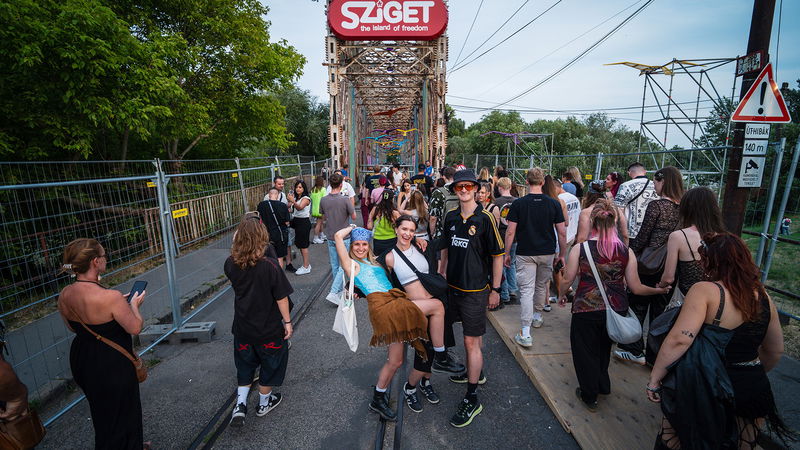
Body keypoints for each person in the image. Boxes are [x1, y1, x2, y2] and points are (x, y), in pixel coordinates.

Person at [647, 232, 793, 449]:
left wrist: (655, 378)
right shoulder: (762, 295)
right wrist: (751, 373)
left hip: (705, 384)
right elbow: (775, 350)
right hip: (752, 386)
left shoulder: (704, 290)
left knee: (674, 439)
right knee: (744, 444)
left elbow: (679, 340)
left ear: (711, 261)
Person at [558, 200, 668, 412]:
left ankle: (589, 394)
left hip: (585, 308)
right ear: (614, 221)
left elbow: (568, 278)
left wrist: (563, 294)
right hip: (616, 308)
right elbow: (636, 287)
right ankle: (602, 384)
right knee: (603, 348)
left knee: (584, 352)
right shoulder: (626, 252)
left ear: (593, 222)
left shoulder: (580, 249)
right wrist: (658, 291)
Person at [334, 225, 446, 422]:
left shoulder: (375, 262)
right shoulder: (351, 265)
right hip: (385, 309)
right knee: (437, 306)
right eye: (356, 245)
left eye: (363, 244)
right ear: (351, 247)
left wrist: (417, 240)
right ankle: (442, 354)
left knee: (396, 361)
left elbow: (393, 256)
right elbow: (337, 236)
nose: (360, 248)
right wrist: (352, 227)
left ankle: (378, 397)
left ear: (368, 246)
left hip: (395, 303)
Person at [57, 239, 146, 449]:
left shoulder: (65, 294)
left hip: (82, 358)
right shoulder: (111, 297)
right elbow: (135, 327)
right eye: (104, 256)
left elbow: (73, 328)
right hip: (112, 363)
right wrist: (133, 306)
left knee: (102, 412)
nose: (106, 259)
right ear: (96, 262)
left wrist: (116, 307)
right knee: (126, 410)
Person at [438, 169, 505, 428]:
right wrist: (440, 271)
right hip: (452, 287)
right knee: (464, 338)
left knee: (470, 342)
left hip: (476, 292)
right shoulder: (452, 216)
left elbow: (498, 255)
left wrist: (496, 290)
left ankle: (472, 396)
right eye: (459, 187)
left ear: (477, 188)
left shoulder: (486, 218)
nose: (464, 190)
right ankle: (476, 371)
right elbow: (445, 246)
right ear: (454, 190)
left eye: (468, 186)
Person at [377, 215, 464, 413]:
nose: (407, 233)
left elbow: (445, 243)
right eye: (404, 229)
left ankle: (425, 383)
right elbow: (373, 274)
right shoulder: (389, 256)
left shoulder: (422, 247)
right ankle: (410, 388)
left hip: (436, 304)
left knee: (433, 351)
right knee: (424, 355)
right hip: (417, 311)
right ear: (396, 229)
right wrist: (354, 289)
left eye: (411, 230)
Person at [225, 217, 293, 428]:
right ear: (262, 238)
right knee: (271, 364)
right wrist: (288, 322)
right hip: (268, 328)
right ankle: (264, 403)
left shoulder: (230, 263)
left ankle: (241, 404)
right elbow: (281, 297)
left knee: (245, 365)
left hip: (243, 327)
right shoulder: (270, 266)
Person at [615, 166, 684, 366]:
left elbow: (644, 236)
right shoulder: (683, 207)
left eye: (655, 182)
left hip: (649, 264)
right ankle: (655, 356)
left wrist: (630, 254)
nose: (654, 185)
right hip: (671, 264)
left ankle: (634, 350)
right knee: (661, 312)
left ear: (664, 182)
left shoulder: (657, 206)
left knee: (637, 305)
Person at [504, 168, 566, 346]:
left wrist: (507, 253)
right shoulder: (554, 203)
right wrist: (561, 254)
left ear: (527, 180)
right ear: (543, 182)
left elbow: (510, 232)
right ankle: (537, 317)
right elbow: (562, 233)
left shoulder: (519, 204)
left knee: (526, 291)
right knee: (541, 286)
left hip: (525, 252)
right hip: (547, 252)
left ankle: (525, 332)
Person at [658, 187, 726, 303]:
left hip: (688, 298)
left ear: (687, 208)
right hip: (717, 298)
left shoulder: (678, 236)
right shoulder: (723, 237)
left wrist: (660, 285)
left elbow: (668, 278)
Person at [320, 173, 357, 304]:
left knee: (335, 265)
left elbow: (323, 216)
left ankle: (340, 291)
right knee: (344, 265)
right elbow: (353, 217)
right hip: (344, 237)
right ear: (341, 185)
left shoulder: (323, 200)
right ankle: (334, 291)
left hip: (330, 236)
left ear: (330, 184)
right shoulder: (345, 200)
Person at [614, 162, 659, 240]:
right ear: (645, 171)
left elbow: (618, 210)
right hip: (651, 232)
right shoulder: (656, 186)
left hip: (631, 233)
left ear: (629, 173)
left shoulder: (625, 186)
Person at [494, 177, 518, 305]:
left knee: (501, 264)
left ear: (500, 188)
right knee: (512, 263)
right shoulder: (517, 201)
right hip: (514, 237)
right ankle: (513, 288)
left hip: (501, 236)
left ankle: (504, 292)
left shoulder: (497, 202)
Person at [257, 188, 291, 267]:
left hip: (266, 235)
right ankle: (279, 276)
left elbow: (259, 219)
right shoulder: (282, 206)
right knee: (279, 257)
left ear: (269, 195)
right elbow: (287, 222)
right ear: (278, 196)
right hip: (280, 235)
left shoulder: (261, 205)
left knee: (268, 257)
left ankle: (269, 276)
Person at [288, 180, 312, 275]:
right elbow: (293, 210)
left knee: (303, 245)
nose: (298, 189)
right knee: (300, 244)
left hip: (303, 222)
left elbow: (300, 207)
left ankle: (306, 266)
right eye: (297, 187)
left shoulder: (306, 198)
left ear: (304, 188)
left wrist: (293, 201)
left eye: (300, 187)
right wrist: (290, 204)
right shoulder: (297, 198)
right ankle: (306, 264)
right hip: (297, 221)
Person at [368, 189, 401, 256]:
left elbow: (369, 226)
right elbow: (401, 226)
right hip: (392, 240)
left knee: (379, 262)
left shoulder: (375, 209)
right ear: (392, 199)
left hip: (378, 240)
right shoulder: (395, 213)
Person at [428, 167, 457, 243]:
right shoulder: (460, 191)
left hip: (441, 234)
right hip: (458, 234)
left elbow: (433, 217)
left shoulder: (438, 192)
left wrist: (432, 233)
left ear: (444, 177)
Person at [311, 176, 327, 244]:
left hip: (314, 209)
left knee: (320, 223)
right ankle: (315, 238)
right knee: (319, 223)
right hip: (321, 209)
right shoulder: (323, 189)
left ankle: (322, 235)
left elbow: (311, 198)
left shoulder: (313, 189)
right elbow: (325, 199)